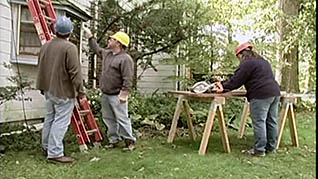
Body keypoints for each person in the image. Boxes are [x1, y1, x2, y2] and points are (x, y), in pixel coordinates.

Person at [213, 42, 281, 157]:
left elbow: (236, 80)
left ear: (241, 54)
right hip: (274, 92)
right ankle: (271, 148)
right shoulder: (263, 61)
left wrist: (223, 87)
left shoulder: (246, 63)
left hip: (260, 95)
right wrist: (225, 85)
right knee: (272, 121)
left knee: (260, 122)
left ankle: (259, 150)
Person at [36, 16, 85, 163]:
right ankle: (55, 153)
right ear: (70, 32)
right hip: (63, 91)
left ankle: (47, 147)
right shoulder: (69, 47)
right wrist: (81, 93)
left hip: (48, 89)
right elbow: (75, 73)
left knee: (50, 119)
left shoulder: (45, 46)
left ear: (55, 30)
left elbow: (41, 67)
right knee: (61, 121)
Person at [83, 27, 136, 151]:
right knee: (108, 119)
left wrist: (124, 93)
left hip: (117, 95)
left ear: (118, 43)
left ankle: (130, 141)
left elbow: (128, 78)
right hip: (106, 94)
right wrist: (90, 37)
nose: (109, 40)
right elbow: (96, 49)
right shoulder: (107, 54)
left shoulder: (125, 59)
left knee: (122, 118)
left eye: (112, 39)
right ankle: (114, 140)